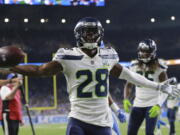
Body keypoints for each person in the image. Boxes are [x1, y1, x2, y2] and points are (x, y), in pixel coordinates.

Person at [2, 17, 179, 135]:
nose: (91, 35)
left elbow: (130, 76)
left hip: (102, 122)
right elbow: (40, 71)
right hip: (78, 119)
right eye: (87, 31)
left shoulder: (108, 55)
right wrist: (12, 68)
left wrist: (158, 86)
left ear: (100, 34)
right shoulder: (67, 56)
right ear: (79, 34)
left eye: (94, 32)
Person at [123, 39, 171, 135]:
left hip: (153, 104)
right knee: (130, 133)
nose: (145, 54)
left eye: (148, 52)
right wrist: (126, 99)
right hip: (138, 104)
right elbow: (129, 85)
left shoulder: (160, 67)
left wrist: (158, 105)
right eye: (143, 51)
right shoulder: (133, 65)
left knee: (149, 133)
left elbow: (167, 89)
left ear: (153, 52)